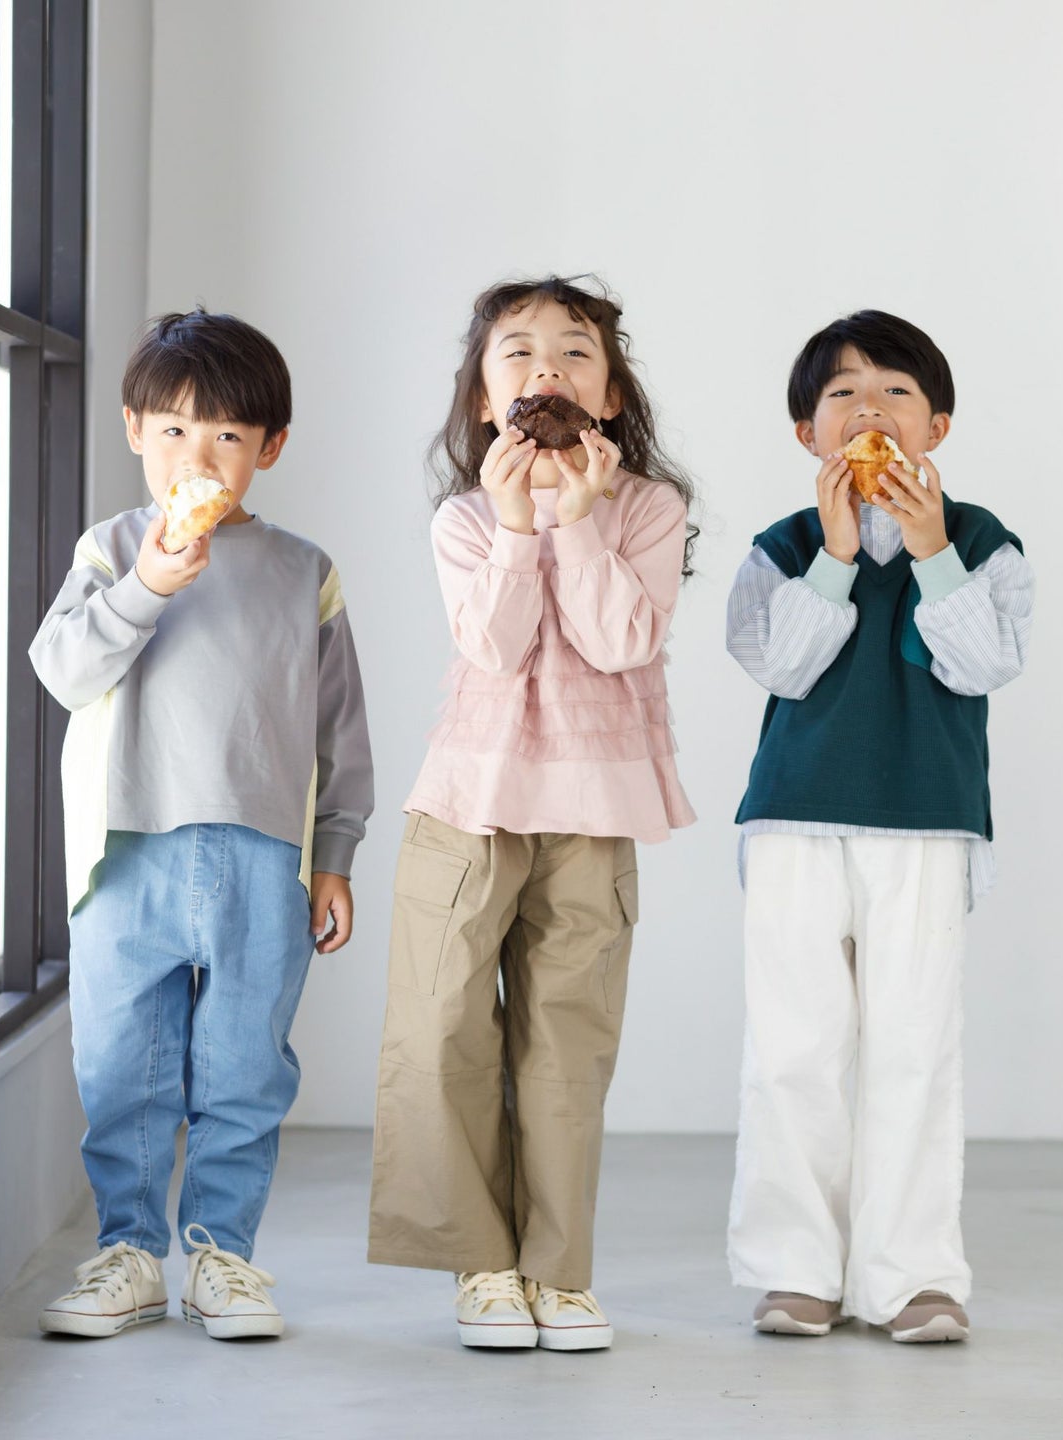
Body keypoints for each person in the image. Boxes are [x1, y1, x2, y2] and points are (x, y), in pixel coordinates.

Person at [30, 309, 373, 1340]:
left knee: (244, 1066)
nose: (199, 455)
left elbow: (340, 726)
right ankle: (129, 1253)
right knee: (121, 1064)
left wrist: (336, 854)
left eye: (228, 434)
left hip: (265, 855)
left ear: (271, 446)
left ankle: (223, 1255)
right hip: (125, 850)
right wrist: (147, 586)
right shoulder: (111, 550)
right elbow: (64, 671)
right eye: (175, 429)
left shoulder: (304, 570)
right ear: (135, 429)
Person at [367, 275, 696, 1351]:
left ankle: (559, 1271)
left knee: (566, 1043)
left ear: (610, 395)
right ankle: (481, 1265)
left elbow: (621, 641)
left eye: (575, 351)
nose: (546, 368)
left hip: (592, 809)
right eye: (517, 352)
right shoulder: (465, 517)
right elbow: (494, 647)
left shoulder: (648, 508)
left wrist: (582, 523)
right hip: (471, 799)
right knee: (443, 1027)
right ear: (483, 399)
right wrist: (518, 526)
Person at [725, 310, 1033, 1344]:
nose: (870, 408)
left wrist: (934, 552)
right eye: (843, 394)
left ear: (936, 426)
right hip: (794, 820)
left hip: (928, 822)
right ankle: (796, 1266)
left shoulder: (984, 542)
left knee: (914, 1046)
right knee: (794, 1047)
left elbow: (985, 664)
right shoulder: (782, 547)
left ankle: (912, 1276)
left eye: (896, 390)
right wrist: (838, 556)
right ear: (807, 433)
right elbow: (779, 666)